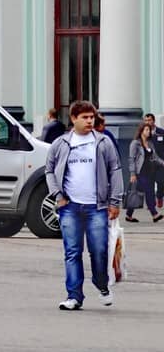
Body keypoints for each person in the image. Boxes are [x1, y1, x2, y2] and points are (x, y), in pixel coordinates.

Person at [45, 100, 122, 310]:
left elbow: (115, 170)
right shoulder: (61, 143)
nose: (90, 121)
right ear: (73, 119)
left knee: (98, 251)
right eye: (85, 117)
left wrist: (115, 201)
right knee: (72, 251)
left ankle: (102, 284)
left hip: (96, 207)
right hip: (69, 207)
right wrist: (58, 196)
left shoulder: (103, 142)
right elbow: (49, 170)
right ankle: (74, 296)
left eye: (92, 117)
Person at [126, 118, 159, 222]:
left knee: (136, 194)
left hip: (150, 172)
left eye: (149, 130)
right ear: (141, 131)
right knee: (148, 192)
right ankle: (154, 214)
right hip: (140, 173)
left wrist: (162, 162)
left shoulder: (150, 143)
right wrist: (132, 174)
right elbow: (131, 159)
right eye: (146, 130)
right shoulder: (135, 143)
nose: (148, 132)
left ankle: (128, 214)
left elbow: (155, 157)